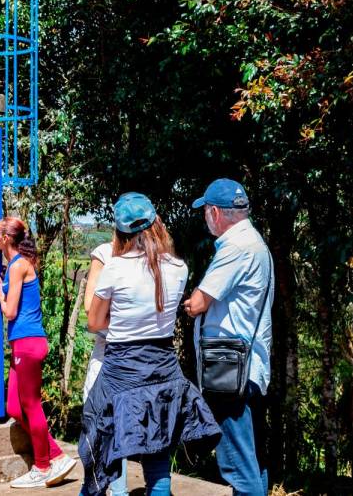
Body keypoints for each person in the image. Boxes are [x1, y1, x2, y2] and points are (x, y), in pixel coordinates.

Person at [79, 193, 221, 496]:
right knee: (158, 460)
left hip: (121, 374)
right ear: (157, 223)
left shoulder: (115, 269)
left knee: (101, 450)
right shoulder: (178, 268)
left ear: (120, 231)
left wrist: (120, 322)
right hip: (163, 371)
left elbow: (94, 322)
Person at [182, 179, 273, 496]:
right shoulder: (257, 244)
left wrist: (190, 302)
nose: (205, 218)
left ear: (216, 212)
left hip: (230, 370)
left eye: (206, 211)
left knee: (238, 465)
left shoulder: (234, 249)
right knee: (254, 461)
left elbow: (199, 302)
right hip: (252, 367)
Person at [0, 217, 77, 489]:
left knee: (31, 405)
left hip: (28, 342)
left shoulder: (18, 266)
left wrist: (0, 295)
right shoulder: (17, 264)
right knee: (15, 408)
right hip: (23, 343)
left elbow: (11, 311)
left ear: (6, 239)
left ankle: (42, 466)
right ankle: (56, 455)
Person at [81, 241, 128, 496]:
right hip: (126, 351)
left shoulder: (107, 255)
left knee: (109, 425)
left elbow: (92, 312)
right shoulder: (106, 253)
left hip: (119, 352)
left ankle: (112, 490)